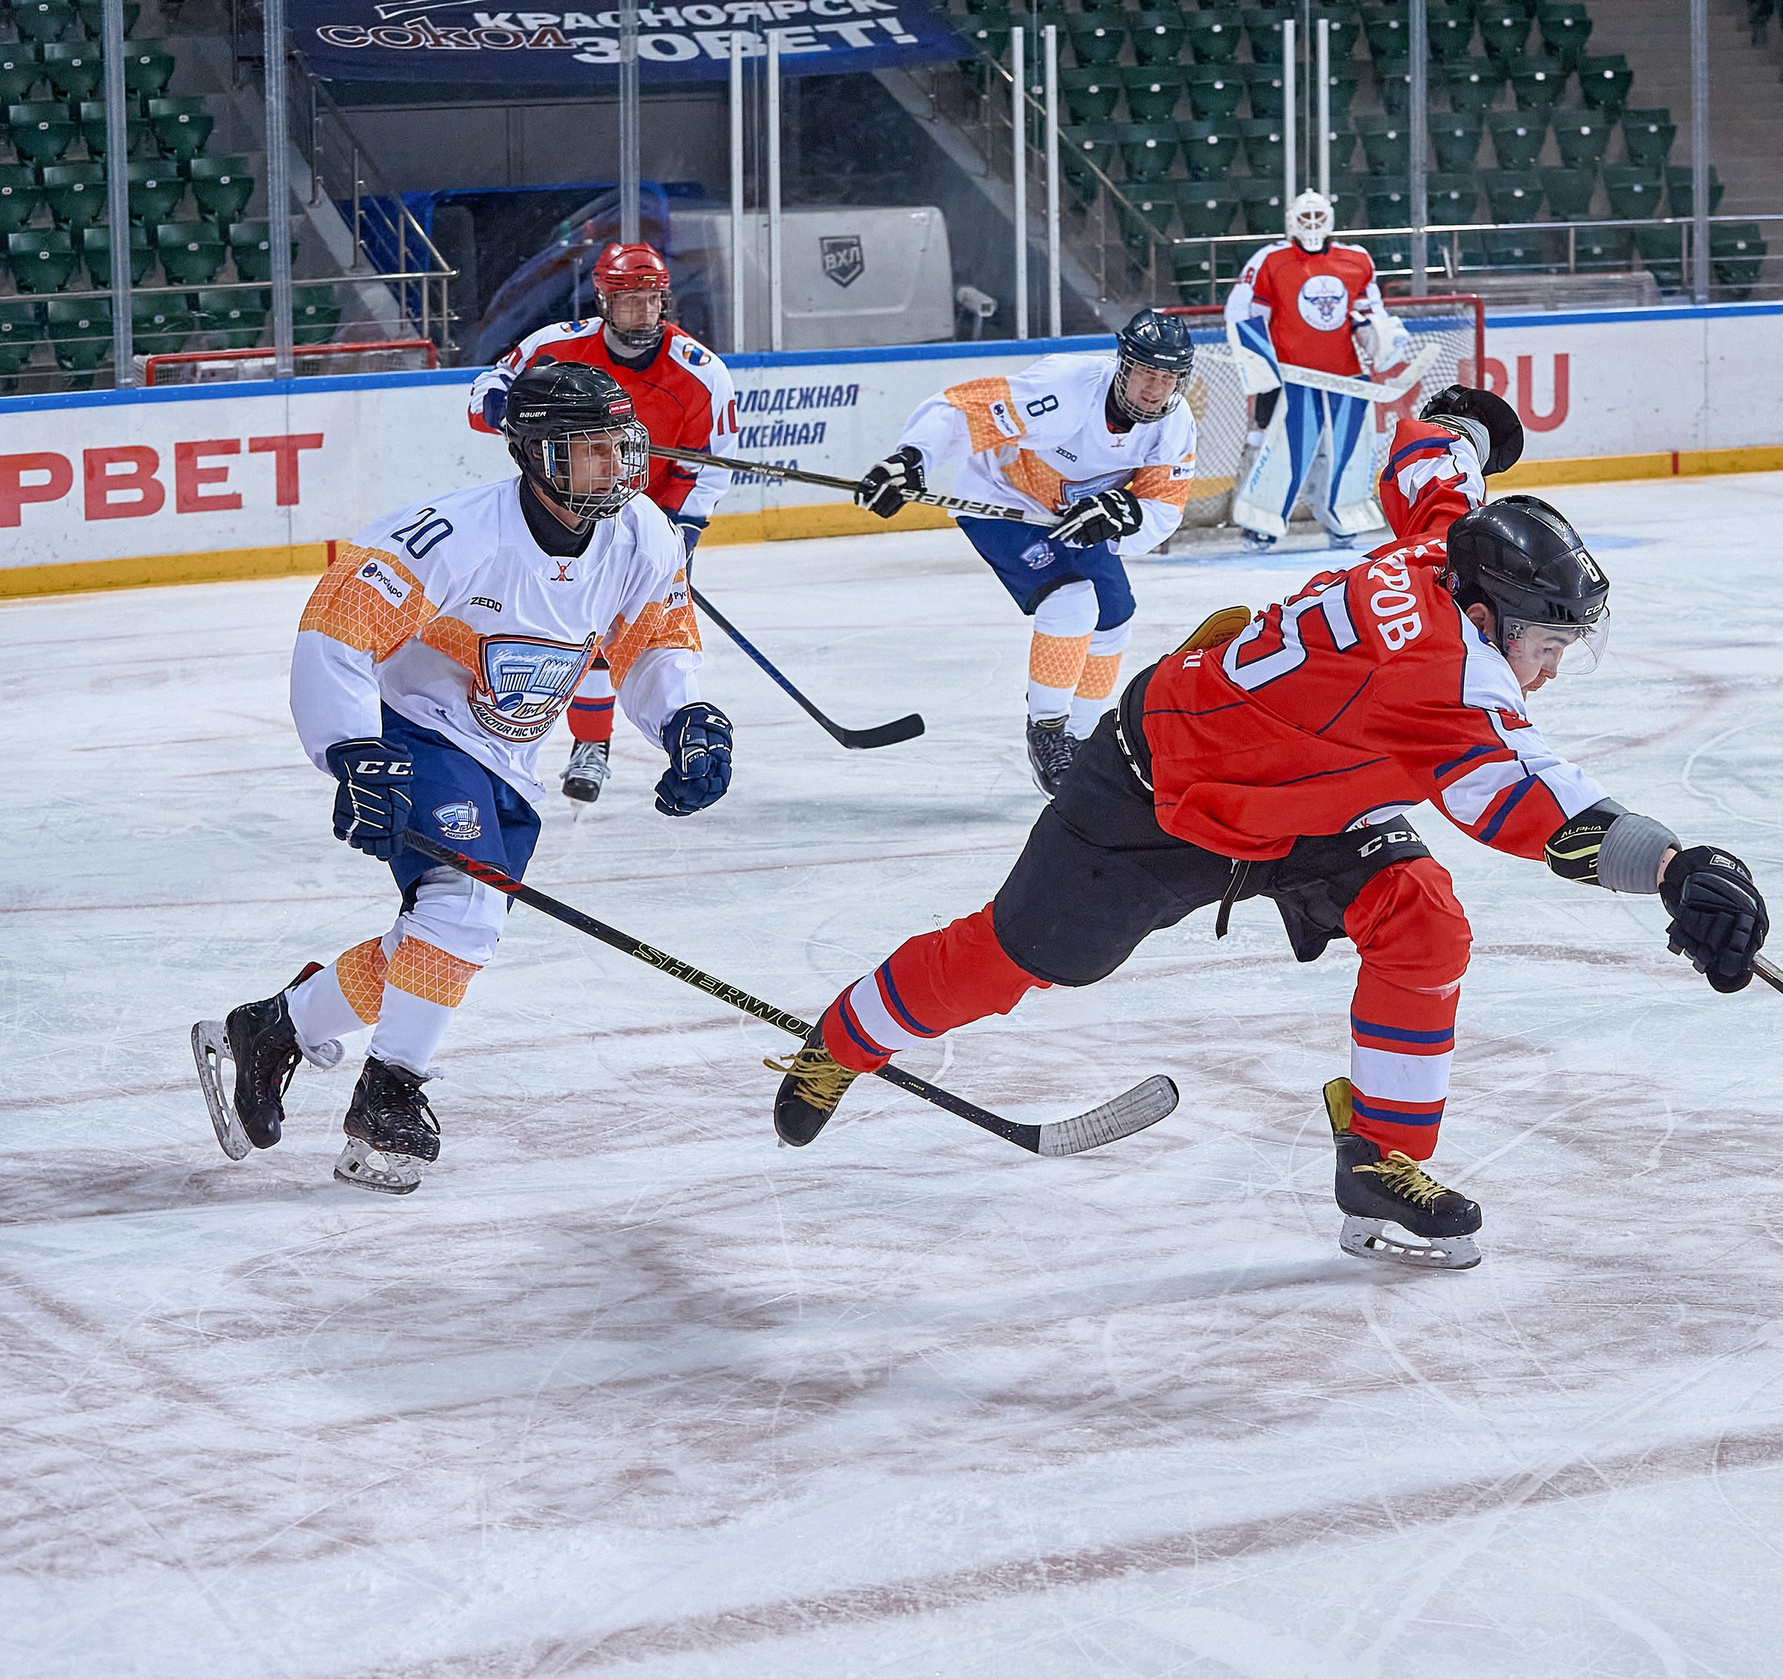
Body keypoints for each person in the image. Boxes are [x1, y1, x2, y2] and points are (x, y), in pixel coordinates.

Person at [761, 497, 1772, 1271]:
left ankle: (1377, 1160)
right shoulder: (1436, 681)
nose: (1543, 673)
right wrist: (1674, 868)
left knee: (1421, 923)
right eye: (1542, 647)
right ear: (1481, 612)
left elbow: (1433, 476)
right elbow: (1532, 803)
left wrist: (1459, 421)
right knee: (1013, 959)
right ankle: (843, 1039)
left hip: (1303, 794)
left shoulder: (1436, 556)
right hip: (1157, 794)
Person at [193, 362, 734, 1195]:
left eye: (619, 447)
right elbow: (336, 625)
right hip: (417, 730)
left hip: (509, 760)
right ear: (538, 456)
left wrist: (686, 719)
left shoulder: (644, 535)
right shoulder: (453, 535)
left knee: (438, 941)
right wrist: (350, 749)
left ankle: (276, 1028)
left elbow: (653, 642)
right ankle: (389, 1092)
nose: (615, 467)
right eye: (589, 451)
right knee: (465, 907)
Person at [845, 309, 1200, 797]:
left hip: (1073, 519)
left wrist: (1127, 516)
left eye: (1168, 378)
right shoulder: (1066, 389)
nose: (1155, 389)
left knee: (1115, 617)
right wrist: (913, 457)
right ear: (1123, 365)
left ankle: (1084, 741)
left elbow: (1164, 508)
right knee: (1072, 602)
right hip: (1002, 503)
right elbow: (962, 408)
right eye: (1146, 373)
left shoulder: (1173, 424)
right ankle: (1048, 731)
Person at [469, 241, 739, 803]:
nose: (641, 312)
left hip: (644, 520)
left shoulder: (701, 373)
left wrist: (677, 534)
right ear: (603, 299)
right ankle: (509, 742)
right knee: (559, 632)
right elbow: (487, 390)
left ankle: (592, 744)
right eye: (628, 300)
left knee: (628, 638)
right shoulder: (557, 346)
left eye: (651, 299)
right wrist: (506, 410)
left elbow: (705, 466)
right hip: (561, 502)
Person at [1226, 190, 1413, 551]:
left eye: (1317, 218)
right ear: (1291, 222)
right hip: (1292, 376)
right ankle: (1261, 522)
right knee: (1282, 451)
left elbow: (1368, 310)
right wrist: (1260, 367)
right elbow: (1246, 313)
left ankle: (1344, 518)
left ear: (1329, 220)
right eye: (1304, 218)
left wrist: (1379, 335)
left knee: (1350, 453)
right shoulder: (1270, 260)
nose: (1311, 226)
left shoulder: (1357, 260)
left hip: (1348, 377)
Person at [1378, 383, 1524, 541]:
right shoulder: (1459, 455)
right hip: (1444, 445)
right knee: (1453, 543)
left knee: (1418, 551)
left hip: (1405, 459)